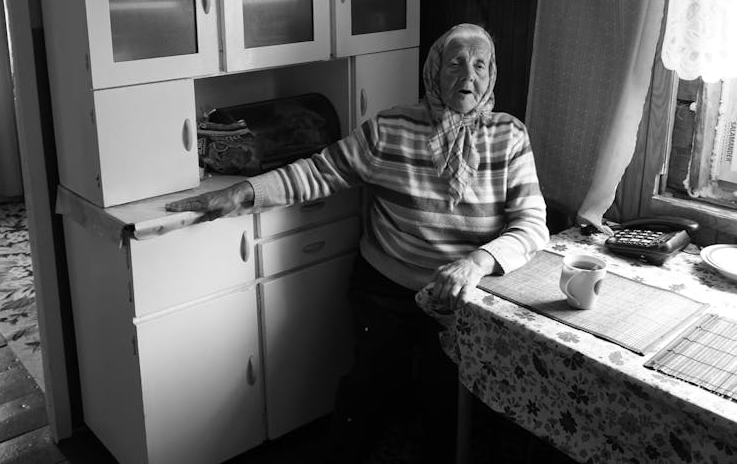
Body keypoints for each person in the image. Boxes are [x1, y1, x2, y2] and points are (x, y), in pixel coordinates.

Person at [166, 23, 549, 462]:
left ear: (492, 74)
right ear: (434, 71)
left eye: (479, 64)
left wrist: (478, 262)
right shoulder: (390, 129)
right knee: (367, 388)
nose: (468, 75)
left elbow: (532, 224)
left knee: (444, 401)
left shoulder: (510, 135)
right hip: (387, 288)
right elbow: (317, 172)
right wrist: (243, 193)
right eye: (456, 62)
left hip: (462, 296)